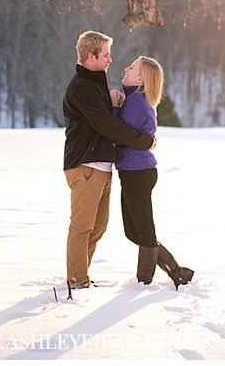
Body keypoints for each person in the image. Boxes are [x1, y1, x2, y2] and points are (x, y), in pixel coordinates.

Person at [63, 31, 156, 290]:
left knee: (98, 226)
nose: (110, 60)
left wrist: (113, 104)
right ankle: (77, 279)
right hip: (85, 165)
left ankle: (82, 274)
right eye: (105, 55)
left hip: (101, 166)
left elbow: (108, 120)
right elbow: (107, 126)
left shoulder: (96, 82)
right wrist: (144, 141)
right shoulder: (82, 87)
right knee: (82, 227)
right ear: (90, 56)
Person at [114, 55, 194, 289]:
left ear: (141, 78)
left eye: (132, 67)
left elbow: (120, 133)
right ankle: (176, 271)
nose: (126, 68)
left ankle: (146, 280)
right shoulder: (134, 99)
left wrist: (112, 107)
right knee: (133, 231)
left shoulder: (136, 102)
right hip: (133, 171)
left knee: (144, 232)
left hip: (138, 172)